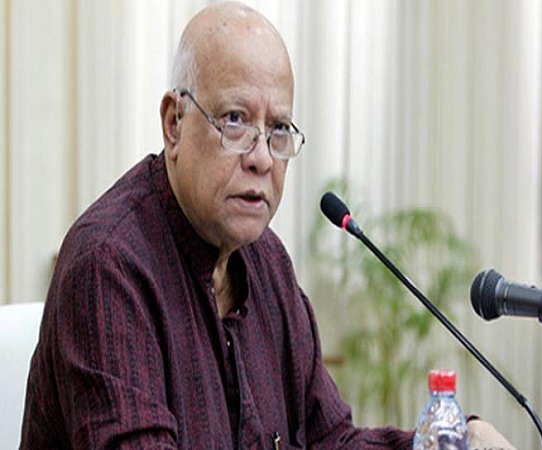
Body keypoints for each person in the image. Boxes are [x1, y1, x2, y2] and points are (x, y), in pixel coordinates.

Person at [20, 2, 516, 449]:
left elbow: (328, 439)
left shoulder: (267, 259)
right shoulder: (108, 267)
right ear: (174, 123)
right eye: (235, 119)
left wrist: (446, 444)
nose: (261, 157)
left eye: (279, 129)